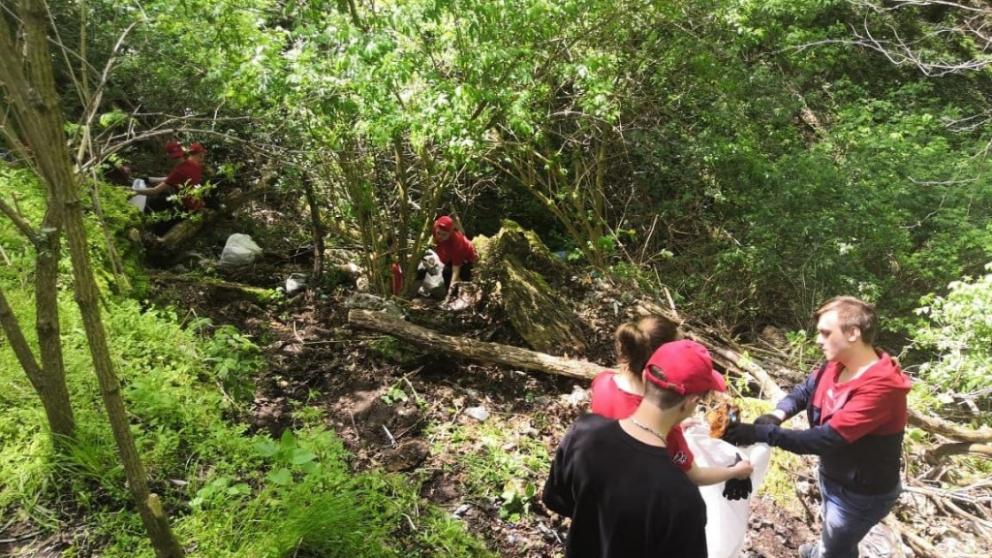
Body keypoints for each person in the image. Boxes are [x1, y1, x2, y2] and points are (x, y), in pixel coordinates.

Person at [722, 296, 911, 558]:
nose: (818, 340)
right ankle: (824, 549)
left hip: (861, 493)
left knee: (837, 547)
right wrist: (777, 414)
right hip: (835, 475)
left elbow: (824, 439)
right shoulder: (837, 365)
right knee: (834, 535)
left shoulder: (882, 387)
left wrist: (761, 432)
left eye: (825, 332)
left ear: (853, 333)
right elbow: (804, 392)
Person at [542, 339, 730, 558]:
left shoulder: (583, 432)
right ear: (691, 402)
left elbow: (556, 500)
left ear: (644, 377)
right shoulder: (683, 499)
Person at [590, 317, 754, 493]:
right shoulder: (665, 433)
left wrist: (677, 422)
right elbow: (696, 476)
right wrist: (735, 471)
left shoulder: (602, 381)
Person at [137, 142, 208, 213]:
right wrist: (150, 179)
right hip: (198, 202)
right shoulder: (195, 164)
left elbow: (154, 191)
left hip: (188, 207)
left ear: (169, 156)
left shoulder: (178, 172)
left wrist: (133, 191)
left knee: (155, 202)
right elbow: (174, 178)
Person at [431, 215, 477, 292]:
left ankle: (452, 295)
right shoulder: (436, 226)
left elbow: (456, 269)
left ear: (450, 233)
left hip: (466, 257)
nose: (440, 237)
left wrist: (451, 287)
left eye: (444, 234)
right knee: (445, 271)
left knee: (459, 276)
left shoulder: (456, 244)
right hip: (448, 254)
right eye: (438, 233)